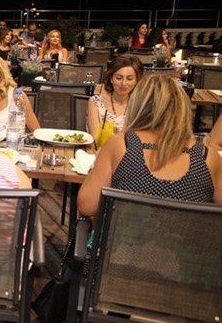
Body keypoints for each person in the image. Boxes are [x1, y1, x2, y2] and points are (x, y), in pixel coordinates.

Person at [78, 74, 222, 217]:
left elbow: (87, 206)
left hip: (126, 232)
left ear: (137, 105)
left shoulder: (121, 145)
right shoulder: (208, 157)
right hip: (187, 232)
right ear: (183, 108)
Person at [87, 54, 144, 142]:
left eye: (129, 79)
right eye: (119, 78)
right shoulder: (95, 102)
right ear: (111, 78)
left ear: (137, 80)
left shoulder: (141, 105)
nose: (123, 83)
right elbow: (96, 139)